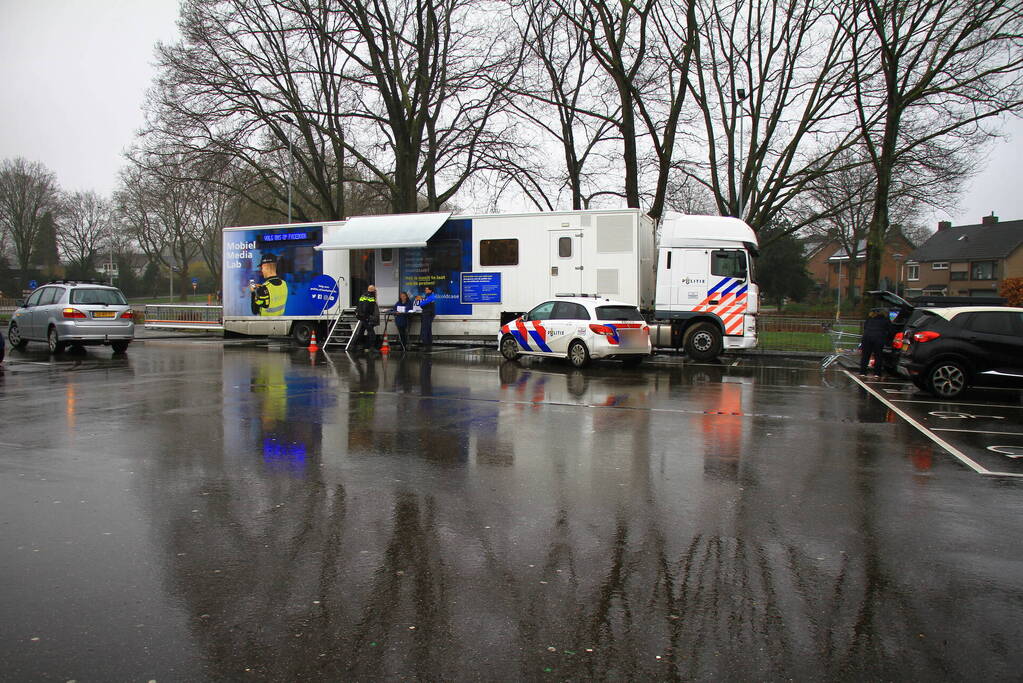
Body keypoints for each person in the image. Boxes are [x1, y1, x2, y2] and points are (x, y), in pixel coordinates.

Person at [859, 308, 891, 376]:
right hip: (879, 338)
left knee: (865, 355)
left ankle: (862, 372)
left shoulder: (869, 319)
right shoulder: (885, 320)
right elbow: (890, 330)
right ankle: (877, 373)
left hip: (867, 337)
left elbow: (865, 327)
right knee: (878, 356)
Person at [354, 284, 379, 350]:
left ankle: (357, 346)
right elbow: (367, 308)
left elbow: (360, 305)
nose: (376, 291)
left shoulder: (363, 295)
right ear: (372, 290)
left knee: (361, 331)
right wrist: (368, 316)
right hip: (367, 317)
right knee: (371, 333)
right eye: (375, 290)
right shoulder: (370, 296)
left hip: (362, 317)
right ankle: (371, 347)